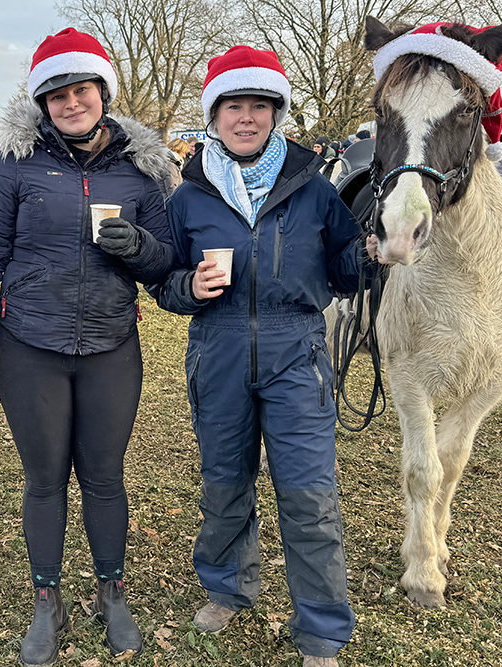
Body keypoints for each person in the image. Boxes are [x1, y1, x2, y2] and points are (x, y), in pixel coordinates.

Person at [0, 27, 173, 666]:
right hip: (29, 346)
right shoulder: (14, 169)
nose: (72, 104)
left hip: (110, 347)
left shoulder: (141, 172)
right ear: (43, 103)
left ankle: (111, 591)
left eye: (82, 90)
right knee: (45, 480)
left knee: (103, 477)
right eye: (58, 95)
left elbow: (166, 259)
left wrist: (143, 250)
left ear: (103, 91)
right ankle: (47, 599)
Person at [149, 46, 373, 667]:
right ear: (213, 116)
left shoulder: (315, 189)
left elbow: (346, 273)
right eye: (232, 106)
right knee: (224, 484)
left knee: (308, 494)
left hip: (296, 352)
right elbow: (164, 278)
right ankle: (227, 587)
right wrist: (187, 289)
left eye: (258, 106)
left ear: (275, 113)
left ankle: (323, 628)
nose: (245, 118)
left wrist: (375, 251)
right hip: (216, 351)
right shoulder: (188, 197)